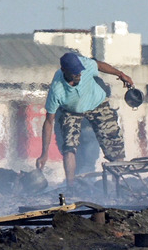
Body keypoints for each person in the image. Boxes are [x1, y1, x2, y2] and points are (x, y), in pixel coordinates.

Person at [35, 52, 133, 186]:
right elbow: (48, 122)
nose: (79, 75)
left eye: (80, 72)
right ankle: (71, 187)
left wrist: (121, 75)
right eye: (75, 74)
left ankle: (121, 184)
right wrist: (44, 153)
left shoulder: (85, 65)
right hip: (72, 110)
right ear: (64, 71)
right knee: (69, 146)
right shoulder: (57, 90)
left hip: (97, 103)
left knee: (114, 143)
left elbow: (99, 65)